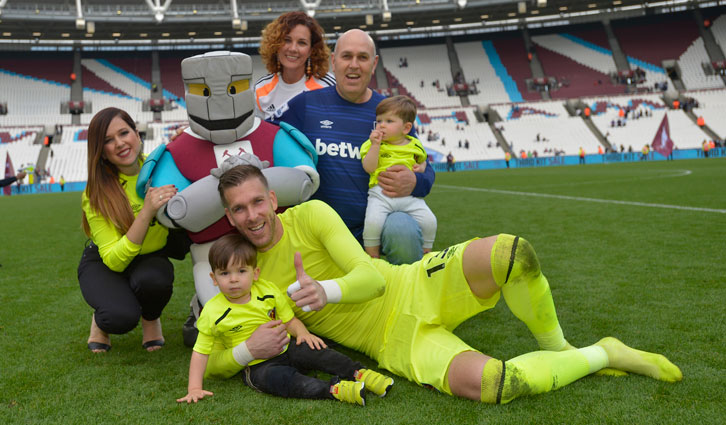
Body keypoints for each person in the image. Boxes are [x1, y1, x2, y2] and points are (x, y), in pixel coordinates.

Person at [205, 165, 682, 405]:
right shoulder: (237, 270)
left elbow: (370, 276)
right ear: (228, 216)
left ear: (271, 198)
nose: (251, 216)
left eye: (256, 202)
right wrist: (248, 350)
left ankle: (558, 346)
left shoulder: (311, 214)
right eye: (239, 209)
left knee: (511, 252)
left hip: (410, 283)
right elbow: (214, 354)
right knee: (497, 384)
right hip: (394, 341)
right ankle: (605, 352)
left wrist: (324, 291)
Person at [274, 29, 435, 265]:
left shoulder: (390, 112)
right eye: (346, 56)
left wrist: (415, 181)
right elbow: (266, 140)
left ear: (374, 63)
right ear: (333, 61)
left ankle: (405, 290)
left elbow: (425, 168)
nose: (354, 65)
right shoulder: (305, 105)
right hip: (318, 230)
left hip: (376, 222)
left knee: (403, 228)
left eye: (362, 57)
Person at [177, 233, 394, 406]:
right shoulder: (213, 311)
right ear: (214, 279)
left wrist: (303, 334)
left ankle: (360, 373)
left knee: (315, 348)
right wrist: (194, 387)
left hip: (286, 347)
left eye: (241, 271)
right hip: (258, 367)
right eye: (224, 274)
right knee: (283, 381)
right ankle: (334, 389)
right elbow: (200, 353)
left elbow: (289, 321)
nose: (233, 279)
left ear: (255, 273)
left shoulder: (268, 291)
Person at [78, 107, 189, 353]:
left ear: (137, 134)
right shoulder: (95, 192)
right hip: (107, 262)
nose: (119, 143)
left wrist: (188, 142)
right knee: (119, 318)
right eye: (108, 140)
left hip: (150, 258)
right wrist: (147, 211)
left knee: (155, 279)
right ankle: (100, 321)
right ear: (101, 152)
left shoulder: (163, 166)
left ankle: (151, 319)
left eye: (124, 133)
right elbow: (115, 261)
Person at [361, 95, 436, 259]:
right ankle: (372, 257)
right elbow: (369, 167)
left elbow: (423, 161)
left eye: (389, 121)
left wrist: (420, 168)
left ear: (406, 128)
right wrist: (375, 146)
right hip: (380, 195)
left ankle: (426, 252)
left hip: (409, 196)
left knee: (430, 221)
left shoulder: (414, 144)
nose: (381, 125)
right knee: (372, 223)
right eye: (379, 120)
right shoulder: (373, 144)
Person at [255, 11, 335, 121]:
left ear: (311, 50)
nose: (293, 49)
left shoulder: (328, 87)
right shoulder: (261, 89)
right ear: (276, 45)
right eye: (287, 40)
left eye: (302, 43)